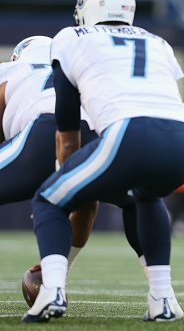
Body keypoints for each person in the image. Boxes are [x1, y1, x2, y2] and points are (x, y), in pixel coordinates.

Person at [21, 0, 184, 323]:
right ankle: (163, 300)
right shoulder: (157, 41)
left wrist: (66, 190)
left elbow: (68, 126)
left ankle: (51, 292)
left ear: (86, 9)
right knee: (144, 198)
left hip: (130, 134)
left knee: (48, 199)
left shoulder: (70, 38)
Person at [3, 36, 152, 281]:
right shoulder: (82, 76)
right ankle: (161, 291)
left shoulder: (13, 70)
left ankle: (52, 278)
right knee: (132, 199)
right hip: (94, 135)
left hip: (41, 133)